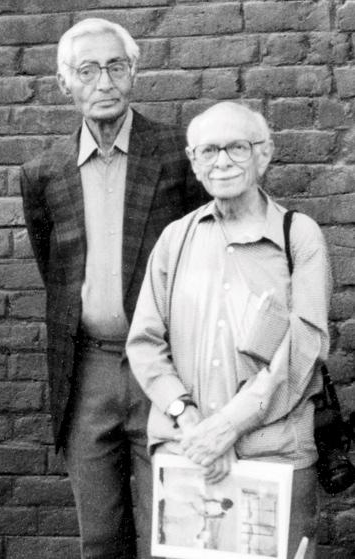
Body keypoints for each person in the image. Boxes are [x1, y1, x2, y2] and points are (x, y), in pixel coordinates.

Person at [20, 18, 205, 559]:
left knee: (169, 534)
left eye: (116, 66)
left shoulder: (178, 153)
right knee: (99, 538)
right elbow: (52, 268)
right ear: (64, 83)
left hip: (168, 369)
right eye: (87, 70)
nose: (104, 81)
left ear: (135, 72)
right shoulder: (43, 171)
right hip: (89, 373)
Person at [126, 101, 331, 559]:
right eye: (209, 151)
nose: (222, 161)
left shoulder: (299, 237)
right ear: (194, 163)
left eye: (237, 148)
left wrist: (228, 427)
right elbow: (144, 343)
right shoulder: (175, 239)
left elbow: (305, 345)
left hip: (272, 452)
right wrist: (194, 423)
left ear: (264, 154)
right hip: (188, 449)